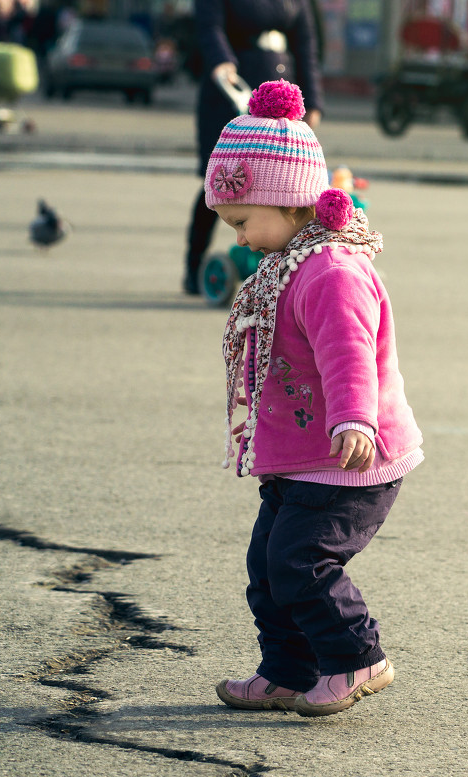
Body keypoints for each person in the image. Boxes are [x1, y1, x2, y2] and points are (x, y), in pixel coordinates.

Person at [206, 80, 423, 717]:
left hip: (351, 456)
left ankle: (358, 659)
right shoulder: (287, 262)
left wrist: (354, 418)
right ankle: (288, 670)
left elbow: (348, 352)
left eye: (243, 222)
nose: (241, 239)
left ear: (285, 198)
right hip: (302, 455)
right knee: (268, 568)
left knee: (300, 562)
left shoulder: (329, 270)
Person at [184, 0, 323, 295]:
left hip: (282, 91)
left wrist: (313, 99)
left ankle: (283, 273)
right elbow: (210, 26)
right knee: (225, 183)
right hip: (231, 89)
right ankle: (194, 264)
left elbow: (306, 43)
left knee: (281, 192)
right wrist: (221, 60)